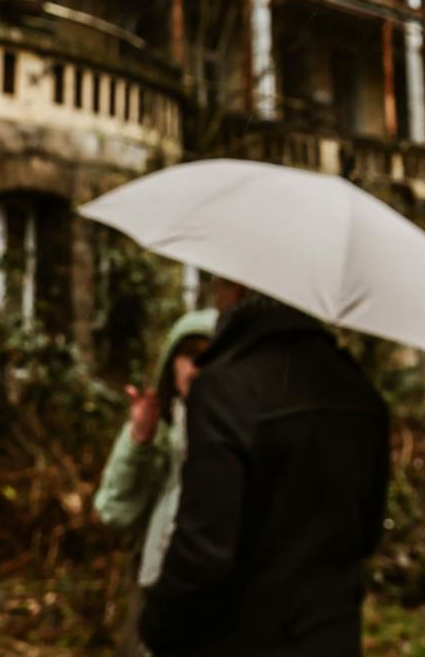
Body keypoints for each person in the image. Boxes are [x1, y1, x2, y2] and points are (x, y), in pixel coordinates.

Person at [138, 278, 390, 656]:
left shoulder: (226, 389)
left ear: (239, 289)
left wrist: (155, 624)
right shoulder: (358, 390)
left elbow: (203, 552)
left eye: (220, 288)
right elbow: (367, 532)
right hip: (331, 637)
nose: (216, 302)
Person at [93, 307, 218, 657]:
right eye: (189, 355)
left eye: (209, 357)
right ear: (171, 362)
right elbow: (114, 510)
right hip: (155, 589)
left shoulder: (241, 434)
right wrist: (139, 441)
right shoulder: (160, 430)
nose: (197, 368)